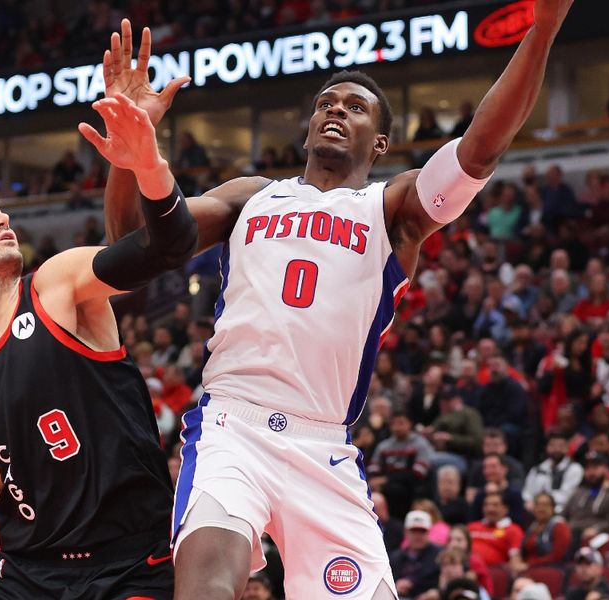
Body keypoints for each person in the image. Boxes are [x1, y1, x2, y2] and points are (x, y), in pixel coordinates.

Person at [93, 5, 576, 597]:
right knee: (206, 589)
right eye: (325, 103)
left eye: (354, 107)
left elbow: (479, 151)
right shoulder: (250, 197)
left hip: (323, 445)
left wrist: (544, 27)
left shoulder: (392, 209)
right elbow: (127, 248)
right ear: (306, 129)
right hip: (231, 428)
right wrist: (128, 153)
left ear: (380, 140)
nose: (335, 111)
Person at [0, 55, 197, 599]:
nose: (2, 219)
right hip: (29, 575)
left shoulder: (57, 284)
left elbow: (166, 247)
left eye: (0, 213)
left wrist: (145, 161)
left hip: (129, 563)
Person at [522, 431, 583, 511]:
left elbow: (567, 496)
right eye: (553, 445)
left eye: (561, 446)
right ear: (546, 447)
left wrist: (543, 501)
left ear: (567, 447)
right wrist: (529, 502)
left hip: (560, 512)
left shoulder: (575, 468)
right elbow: (527, 493)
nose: (556, 449)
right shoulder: (537, 469)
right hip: (535, 511)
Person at [514, 492, 571, 574]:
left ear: (553, 508)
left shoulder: (559, 526)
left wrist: (529, 565)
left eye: (545, 505)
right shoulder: (532, 527)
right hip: (528, 568)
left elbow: (557, 556)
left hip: (550, 570)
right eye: (538, 505)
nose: (541, 508)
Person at [389, 511, 441, 599]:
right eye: (414, 531)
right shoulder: (395, 557)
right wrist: (395, 586)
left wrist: (411, 581)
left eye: (422, 531)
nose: (418, 536)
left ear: (428, 532)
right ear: (406, 532)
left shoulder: (438, 554)